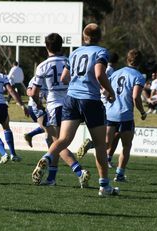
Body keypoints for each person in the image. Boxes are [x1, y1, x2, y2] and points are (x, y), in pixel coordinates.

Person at [31, 23, 119, 196]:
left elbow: (64, 78)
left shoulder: (75, 53)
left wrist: (77, 82)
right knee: (101, 145)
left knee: (63, 139)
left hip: (71, 99)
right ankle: (104, 186)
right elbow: (100, 74)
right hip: (90, 100)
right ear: (99, 37)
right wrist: (110, 91)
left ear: (84, 37)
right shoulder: (101, 52)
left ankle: (46, 158)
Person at [31, 33, 90, 186]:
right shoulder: (70, 61)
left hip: (55, 105)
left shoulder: (42, 66)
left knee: (57, 143)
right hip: (73, 103)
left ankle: (79, 171)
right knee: (55, 142)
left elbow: (34, 92)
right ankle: (51, 179)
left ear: (46, 46)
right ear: (62, 46)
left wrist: (38, 105)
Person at [105, 49, 147, 182]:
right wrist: (142, 112)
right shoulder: (139, 76)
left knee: (105, 143)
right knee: (126, 146)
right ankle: (119, 174)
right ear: (140, 62)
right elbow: (136, 97)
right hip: (125, 115)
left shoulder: (116, 73)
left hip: (110, 113)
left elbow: (106, 93)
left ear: (127, 59)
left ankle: (92, 144)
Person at [24, 77, 51, 148]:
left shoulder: (50, 78)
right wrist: (35, 97)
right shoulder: (36, 78)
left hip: (40, 107)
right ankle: (51, 154)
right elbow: (28, 92)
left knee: (49, 127)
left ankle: (30, 135)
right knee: (49, 130)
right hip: (35, 107)